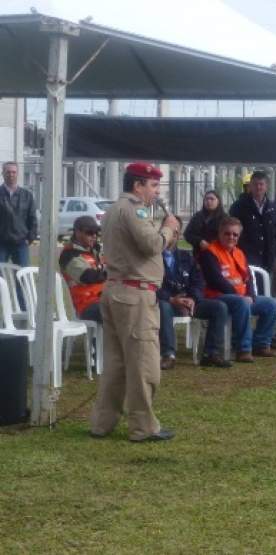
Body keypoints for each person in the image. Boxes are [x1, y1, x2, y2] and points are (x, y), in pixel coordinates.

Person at [89, 162, 180, 443]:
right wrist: (168, 229)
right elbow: (151, 245)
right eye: (153, 186)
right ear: (138, 185)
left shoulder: (115, 209)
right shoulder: (135, 208)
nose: (155, 192)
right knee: (144, 363)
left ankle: (102, 422)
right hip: (135, 294)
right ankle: (143, 426)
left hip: (116, 289)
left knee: (116, 362)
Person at [230, 171, 276, 344]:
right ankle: (248, 333)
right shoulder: (239, 206)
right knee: (247, 293)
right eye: (255, 184)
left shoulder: (273, 207)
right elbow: (232, 232)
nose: (258, 188)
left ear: (266, 186)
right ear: (250, 186)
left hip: (272, 256)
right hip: (246, 258)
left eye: (262, 184)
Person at [199, 217, 276, 362]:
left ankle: (261, 344)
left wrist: (251, 295)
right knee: (240, 303)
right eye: (227, 233)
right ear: (220, 233)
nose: (231, 237)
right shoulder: (209, 252)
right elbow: (215, 280)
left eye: (235, 235)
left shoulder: (239, 253)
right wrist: (240, 296)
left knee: (271, 304)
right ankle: (243, 349)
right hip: (218, 297)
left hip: (241, 297)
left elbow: (248, 278)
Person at [157, 217, 232, 369]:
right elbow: (152, 287)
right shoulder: (153, 258)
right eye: (170, 230)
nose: (173, 234)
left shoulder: (186, 257)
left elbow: (198, 282)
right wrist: (171, 299)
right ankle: (168, 355)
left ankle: (211, 353)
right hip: (168, 302)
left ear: (178, 235)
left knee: (219, 307)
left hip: (188, 301)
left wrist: (193, 298)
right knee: (163, 307)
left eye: (176, 231)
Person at [59, 215, 106, 323]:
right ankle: (100, 340)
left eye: (96, 232)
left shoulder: (96, 251)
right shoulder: (69, 255)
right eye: (89, 232)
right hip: (86, 305)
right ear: (77, 232)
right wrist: (112, 273)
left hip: (103, 298)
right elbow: (88, 276)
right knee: (121, 309)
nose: (94, 236)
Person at [0, 161, 37, 267]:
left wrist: (29, 238)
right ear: (3, 173)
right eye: (8, 172)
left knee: (22, 276)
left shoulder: (27, 195)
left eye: (13, 172)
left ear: (17, 174)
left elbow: (33, 219)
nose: (11, 175)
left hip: (21, 243)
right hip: (1, 242)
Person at [184, 190, 225, 257]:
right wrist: (199, 241)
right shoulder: (197, 216)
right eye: (206, 199)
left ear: (218, 201)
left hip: (218, 255)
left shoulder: (224, 218)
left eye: (212, 199)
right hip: (199, 255)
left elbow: (227, 237)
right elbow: (187, 234)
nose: (209, 201)